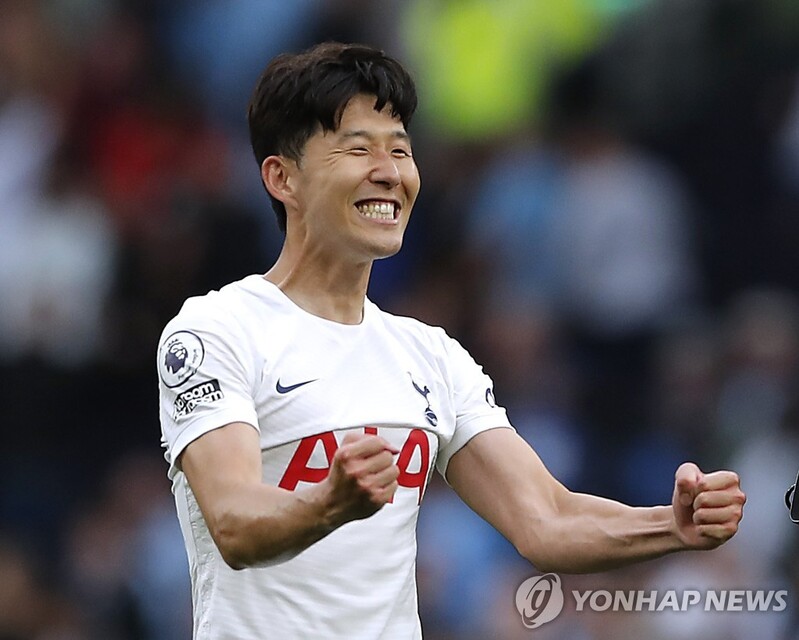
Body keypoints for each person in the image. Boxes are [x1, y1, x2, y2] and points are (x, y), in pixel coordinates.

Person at [157, 42, 746, 639]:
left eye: (401, 149)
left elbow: (544, 519)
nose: (390, 172)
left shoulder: (430, 355)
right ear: (282, 177)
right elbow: (232, 522)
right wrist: (328, 504)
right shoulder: (216, 331)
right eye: (358, 148)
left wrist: (671, 528)